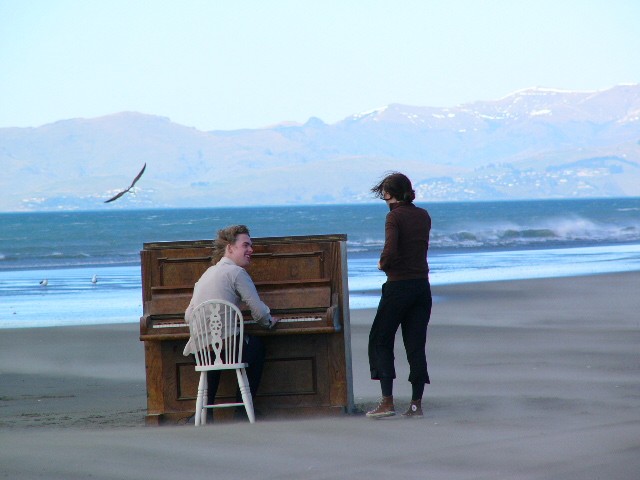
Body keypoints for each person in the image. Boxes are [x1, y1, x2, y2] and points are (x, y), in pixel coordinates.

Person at [182, 225, 278, 420]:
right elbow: (259, 313)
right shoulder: (237, 273)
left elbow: (188, 315)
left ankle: (204, 413)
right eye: (246, 245)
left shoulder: (206, 274)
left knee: (214, 349)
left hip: (199, 351)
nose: (251, 250)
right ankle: (242, 410)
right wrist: (270, 321)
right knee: (257, 346)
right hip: (227, 348)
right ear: (230, 247)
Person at [366, 172, 432, 419]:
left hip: (398, 288)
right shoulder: (423, 215)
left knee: (380, 339)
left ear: (388, 194)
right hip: (421, 287)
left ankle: (387, 402)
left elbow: (391, 249)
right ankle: (416, 405)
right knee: (415, 346)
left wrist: (383, 263)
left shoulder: (393, 217)